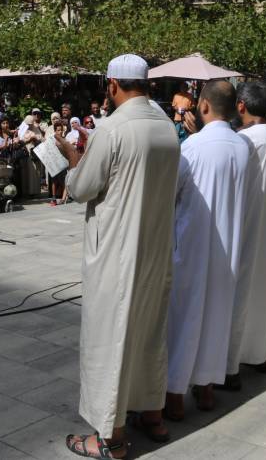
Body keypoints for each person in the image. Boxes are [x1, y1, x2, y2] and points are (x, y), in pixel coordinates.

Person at [59, 54, 180, 459]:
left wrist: (72, 158)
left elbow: (82, 189)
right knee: (148, 333)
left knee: (109, 339)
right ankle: (153, 414)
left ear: (112, 85)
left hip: (116, 251)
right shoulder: (166, 126)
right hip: (156, 247)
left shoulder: (112, 128)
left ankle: (109, 438)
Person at [165, 80, 253, 417]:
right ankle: (205, 389)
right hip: (227, 245)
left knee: (183, 318)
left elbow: (171, 192)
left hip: (192, 244)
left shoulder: (193, 147)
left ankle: (174, 394)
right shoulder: (243, 146)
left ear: (203, 106)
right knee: (216, 317)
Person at [224, 82, 266, 389]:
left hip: (247, 223)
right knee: (262, 291)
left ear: (241, 106)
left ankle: (230, 366)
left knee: (240, 295)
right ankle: (259, 353)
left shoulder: (245, 139)